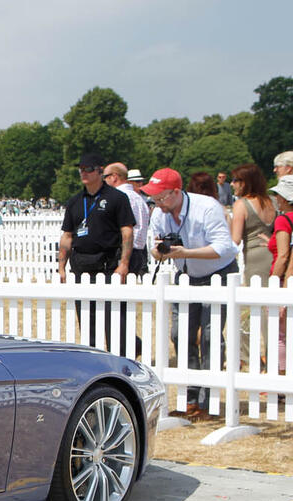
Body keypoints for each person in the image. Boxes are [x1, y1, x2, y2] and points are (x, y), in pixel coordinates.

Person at [142, 167, 238, 419]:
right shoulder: (159, 214)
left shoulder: (207, 207)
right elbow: (155, 248)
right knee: (179, 334)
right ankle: (190, 398)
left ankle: (209, 402)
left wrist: (184, 253)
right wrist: (161, 252)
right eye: (154, 198)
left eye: (161, 197)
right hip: (185, 275)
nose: (157, 202)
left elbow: (223, 247)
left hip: (219, 273)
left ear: (175, 192)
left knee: (209, 335)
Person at [57, 154, 134, 350]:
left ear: (100, 171)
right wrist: (61, 266)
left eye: (89, 169)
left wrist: (124, 263)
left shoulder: (117, 198)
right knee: (88, 322)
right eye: (81, 169)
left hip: (108, 266)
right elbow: (67, 235)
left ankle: (120, 360)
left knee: (114, 321)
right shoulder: (75, 201)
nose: (84, 172)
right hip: (81, 266)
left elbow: (127, 231)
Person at [230, 163, 276, 286]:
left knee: (257, 299)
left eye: (235, 180)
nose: (232, 184)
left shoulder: (241, 204)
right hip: (273, 252)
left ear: (244, 182)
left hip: (254, 256)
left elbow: (236, 240)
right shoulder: (273, 201)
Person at [104, 162, 150, 276]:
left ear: (114, 177)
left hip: (122, 252)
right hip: (138, 251)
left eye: (105, 177)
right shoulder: (139, 199)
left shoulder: (119, 197)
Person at [267, 175, 293, 371]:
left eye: (277, 195)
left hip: (286, 279)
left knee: (280, 334)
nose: (276, 199)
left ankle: (282, 378)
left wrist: (276, 286)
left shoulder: (284, 220)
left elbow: (284, 256)